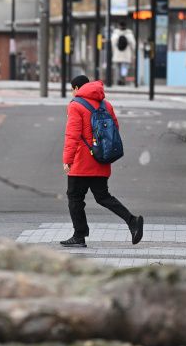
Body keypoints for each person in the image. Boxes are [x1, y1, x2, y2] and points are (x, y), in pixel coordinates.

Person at [60, 75, 143, 248]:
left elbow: (72, 135)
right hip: (101, 158)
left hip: (81, 162)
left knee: (75, 197)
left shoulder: (76, 105)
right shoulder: (106, 105)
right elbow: (114, 131)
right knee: (103, 196)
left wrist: (67, 159)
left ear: (76, 88)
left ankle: (79, 235)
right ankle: (132, 221)